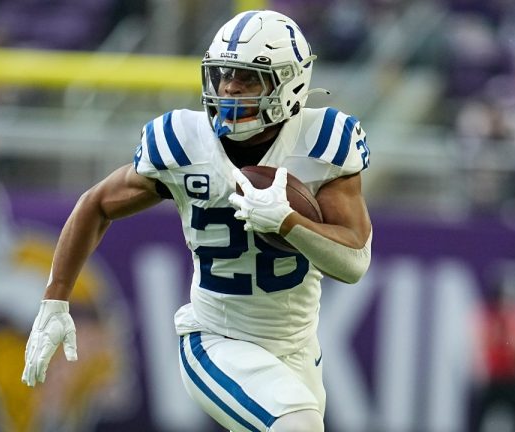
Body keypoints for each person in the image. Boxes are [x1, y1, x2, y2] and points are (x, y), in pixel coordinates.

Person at [22, 10, 373, 432]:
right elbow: (96, 204)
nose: (229, 87)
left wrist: (286, 222)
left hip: (298, 347)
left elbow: (353, 261)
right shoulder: (185, 143)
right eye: (224, 74)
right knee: (297, 425)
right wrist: (55, 300)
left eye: (247, 78)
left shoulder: (323, 142)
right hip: (217, 338)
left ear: (290, 82)